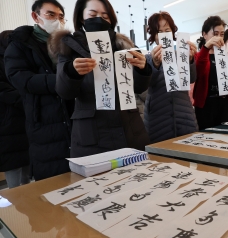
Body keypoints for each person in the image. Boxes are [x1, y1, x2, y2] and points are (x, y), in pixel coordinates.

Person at [49, 0, 152, 157]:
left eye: (105, 16)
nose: (99, 19)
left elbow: (139, 88)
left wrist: (143, 69)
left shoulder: (124, 46)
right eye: (92, 14)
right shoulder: (70, 47)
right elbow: (64, 92)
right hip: (92, 135)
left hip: (130, 130)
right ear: (81, 17)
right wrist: (72, 71)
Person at [4, 0, 73, 180]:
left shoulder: (67, 44)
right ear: (36, 16)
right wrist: (62, 79)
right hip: (42, 119)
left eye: (60, 16)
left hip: (72, 116)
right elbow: (21, 79)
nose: (57, 20)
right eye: (50, 15)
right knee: (53, 179)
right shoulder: (20, 45)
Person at [144, 11, 198, 143]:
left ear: (173, 32)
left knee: (187, 155)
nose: (164, 35)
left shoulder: (181, 54)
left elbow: (191, 79)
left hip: (183, 113)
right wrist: (154, 65)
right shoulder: (147, 59)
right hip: (158, 116)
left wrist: (190, 60)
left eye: (167, 30)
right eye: (159, 31)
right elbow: (145, 85)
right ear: (154, 36)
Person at [193, 17, 228, 130]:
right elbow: (199, 71)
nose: (219, 37)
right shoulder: (198, 55)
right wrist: (206, 47)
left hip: (224, 103)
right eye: (215, 33)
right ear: (205, 34)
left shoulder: (227, 54)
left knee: (224, 136)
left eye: (222, 34)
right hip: (205, 105)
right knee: (205, 137)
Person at [0, 31, 30, 188]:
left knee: (27, 163)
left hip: (25, 116)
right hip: (8, 119)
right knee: (13, 165)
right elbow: (3, 91)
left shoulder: (22, 55)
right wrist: (27, 97)